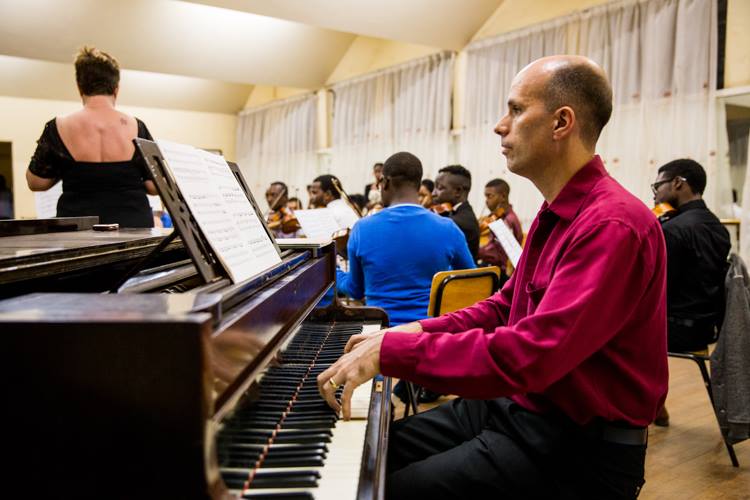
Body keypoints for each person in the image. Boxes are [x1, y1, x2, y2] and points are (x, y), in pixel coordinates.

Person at [317, 55, 667, 499]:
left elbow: (533, 355)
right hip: (518, 410)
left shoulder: (612, 224)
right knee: (371, 458)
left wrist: (398, 353)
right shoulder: (555, 210)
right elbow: (505, 305)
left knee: (388, 489)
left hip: (575, 446)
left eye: (517, 110)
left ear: (562, 123)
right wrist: (419, 327)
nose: (500, 126)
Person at [336, 151, 474, 326]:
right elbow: (473, 283)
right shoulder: (448, 228)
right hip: (431, 333)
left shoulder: (362, 229)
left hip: (381, 335)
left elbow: (354, 290)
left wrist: (335, 272)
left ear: (385, 183)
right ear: (418, 184)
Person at [26, 46, 156, 227]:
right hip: (133, 229)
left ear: (80, 87)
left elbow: (36, 182)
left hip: (78, 233)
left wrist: (65, 169)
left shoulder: (58, 126)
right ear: (116, 88)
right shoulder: (137, 126)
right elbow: (155, 186)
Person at [651, 160, 730, 427]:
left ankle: (639, 409)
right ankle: (655, 405)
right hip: (707, 328)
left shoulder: (673, 230)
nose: (655, 193)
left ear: (677, 183)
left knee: (608, 328)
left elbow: (658, 288)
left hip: (677, 329)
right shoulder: (716, 226)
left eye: (658, 185)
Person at [432, 165, 480, 260]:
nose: (433, 193)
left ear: (458, 191)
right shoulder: (456, 213)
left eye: (440, 188)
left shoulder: (460, 222)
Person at [477, 178, 523, 276]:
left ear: (503, 196)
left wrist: (478, 251)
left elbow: (498, 254)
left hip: (499, 272)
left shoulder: (508, 221)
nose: (486, 201)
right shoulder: (499, 217)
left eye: (489, 196)